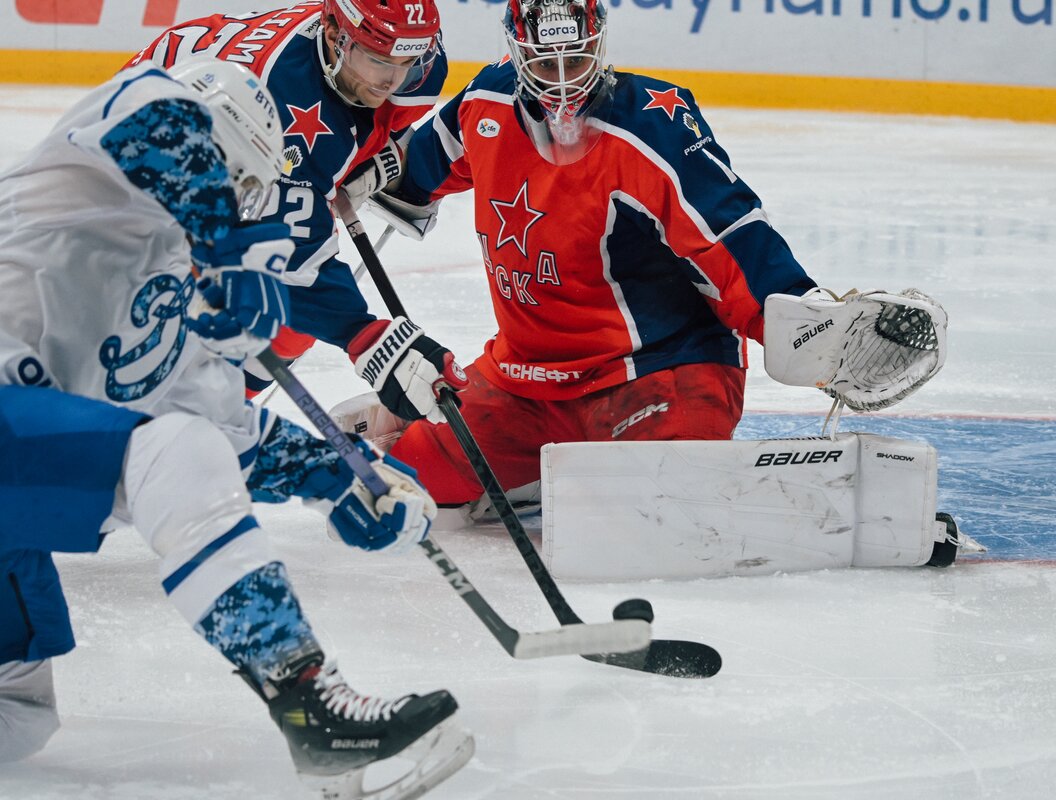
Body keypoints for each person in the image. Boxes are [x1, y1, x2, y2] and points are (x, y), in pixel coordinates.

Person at [0, 58, 473, 798]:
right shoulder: (93, 163)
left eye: (247, 189)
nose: (239, 202)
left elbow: (224, 438)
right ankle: (312, 708)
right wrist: (225, 253)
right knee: (169, 446)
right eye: (234, 178)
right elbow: (167, 124)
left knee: (18, 715)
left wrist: (343, 475)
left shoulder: (185, 306)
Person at [338, 0, 825, 510]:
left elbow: (728, 235)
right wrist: (345, 172)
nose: (564, 80)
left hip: (657, 370)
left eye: (576, 58)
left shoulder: (651, 124)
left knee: (674, 504)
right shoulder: (486, 100)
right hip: (526, 379)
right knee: (406, 484)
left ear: (598, 44)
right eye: (546, 63)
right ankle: (529, 469)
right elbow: (411, 171)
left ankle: (563, 468)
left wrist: (805, 324)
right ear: (518, 53)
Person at [126, 0, 468, 425]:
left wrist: (357, 160)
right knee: (246, 307)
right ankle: (171, 417)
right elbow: (294, 263)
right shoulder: (285, 107)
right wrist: (367, 338)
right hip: (150, 162)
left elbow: (374, 114)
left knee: (288, 322)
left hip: (249, 131)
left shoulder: (412, 62)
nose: (394, 79)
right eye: (380, 61)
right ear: (334, 35)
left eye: (408, 63)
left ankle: (208, 412)